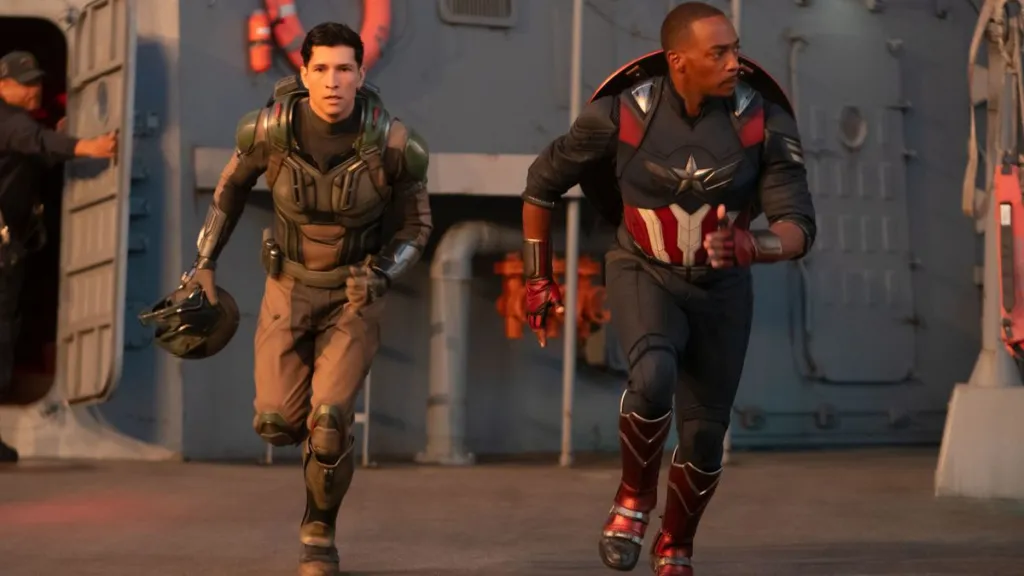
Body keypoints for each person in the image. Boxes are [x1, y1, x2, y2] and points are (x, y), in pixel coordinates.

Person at [519, 3, 816, 574]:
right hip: (643, 269)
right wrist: (539, 279)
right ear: (678, 61)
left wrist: (753, 245)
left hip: (723, 290)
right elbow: (541, 186)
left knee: (704, 439)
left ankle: (676, 543)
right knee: (652, 375)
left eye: (735, 49)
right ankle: (632, 501)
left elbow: (798, 226)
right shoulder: (620, 115)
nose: (735, 63)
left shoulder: (764, 121)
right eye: (718, 53)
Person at [175, 22, 431, 576]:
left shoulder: (393, 145)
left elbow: (417, 226)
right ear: (304, 73)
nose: (333, 81)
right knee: (276, 423)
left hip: (353, 297)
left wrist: (382, 273)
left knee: (330, 422)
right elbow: (229, 190)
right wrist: (203, 264)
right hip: (287, 290)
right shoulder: (268, 131)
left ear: (361, 74)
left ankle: (319, 534)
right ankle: (310, 444)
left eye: (344, 69)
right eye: (321, 69)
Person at [0, 50, 118, 463]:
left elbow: (35, 150)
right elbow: (33, 140)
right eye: (26, 83)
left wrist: (60, 140)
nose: (35, 89)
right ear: (3, 86)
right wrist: (89, 146)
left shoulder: (17, 123)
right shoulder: (9, 120)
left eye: (37, 81)